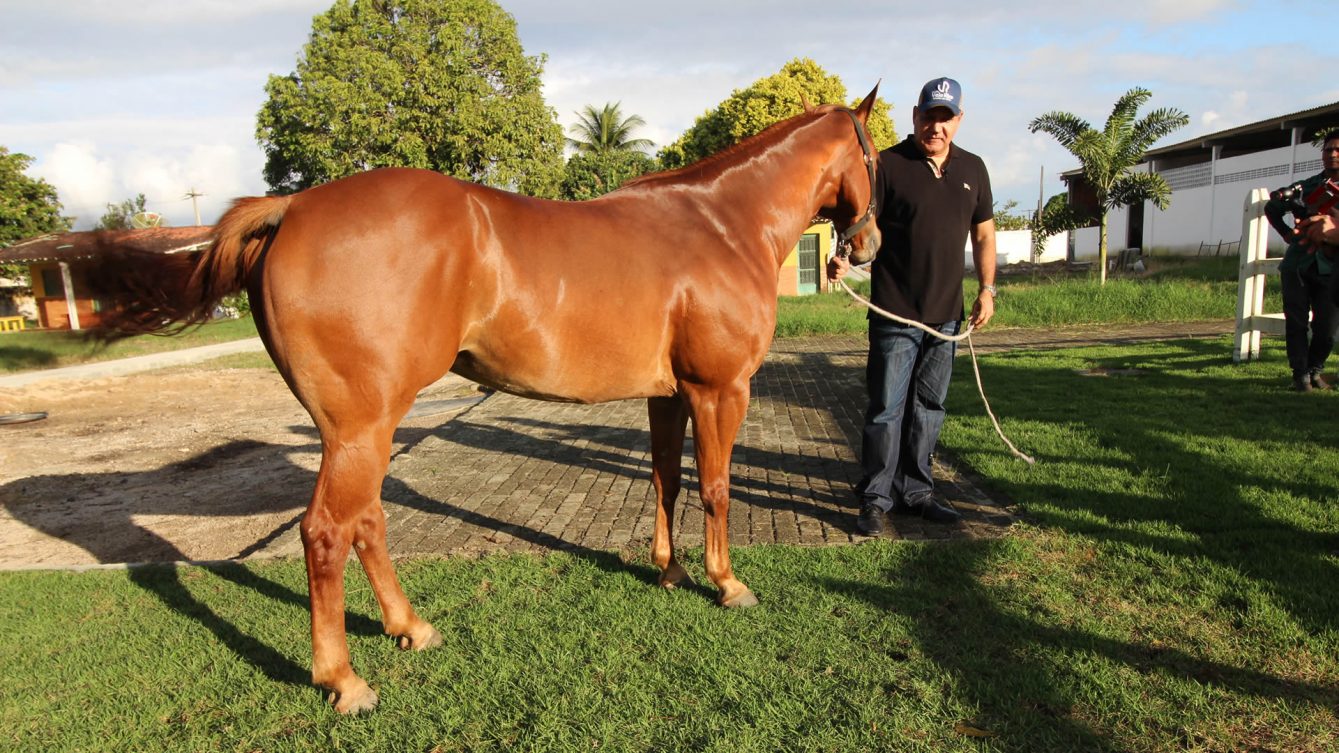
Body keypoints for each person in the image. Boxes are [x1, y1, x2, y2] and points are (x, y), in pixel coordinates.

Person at [827, 77, 996, 535]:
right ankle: (876, 498)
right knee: (886, 408)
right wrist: (841, 257)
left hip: (946, 316)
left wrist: (987, 290)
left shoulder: (974, 170)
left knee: (930, 407)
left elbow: (984, 235)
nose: (936, 127)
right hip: (895, 312)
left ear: (958, 120)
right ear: (915, 116)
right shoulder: (889, 165)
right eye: (929, 116)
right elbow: (859, 220)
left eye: (945, 118)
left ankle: (918, 492)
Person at [1264, 132, 1339, 392]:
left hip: (1331, 270)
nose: (1332, 154)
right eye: (1328, 149)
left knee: (1326, 328)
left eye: (1337, 149)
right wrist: (1287, 234)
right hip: (1298, 264)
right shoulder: (1308, 187)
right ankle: (1300, 376)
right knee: (1296, 322)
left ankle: (1315, 370)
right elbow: (1272, 207)